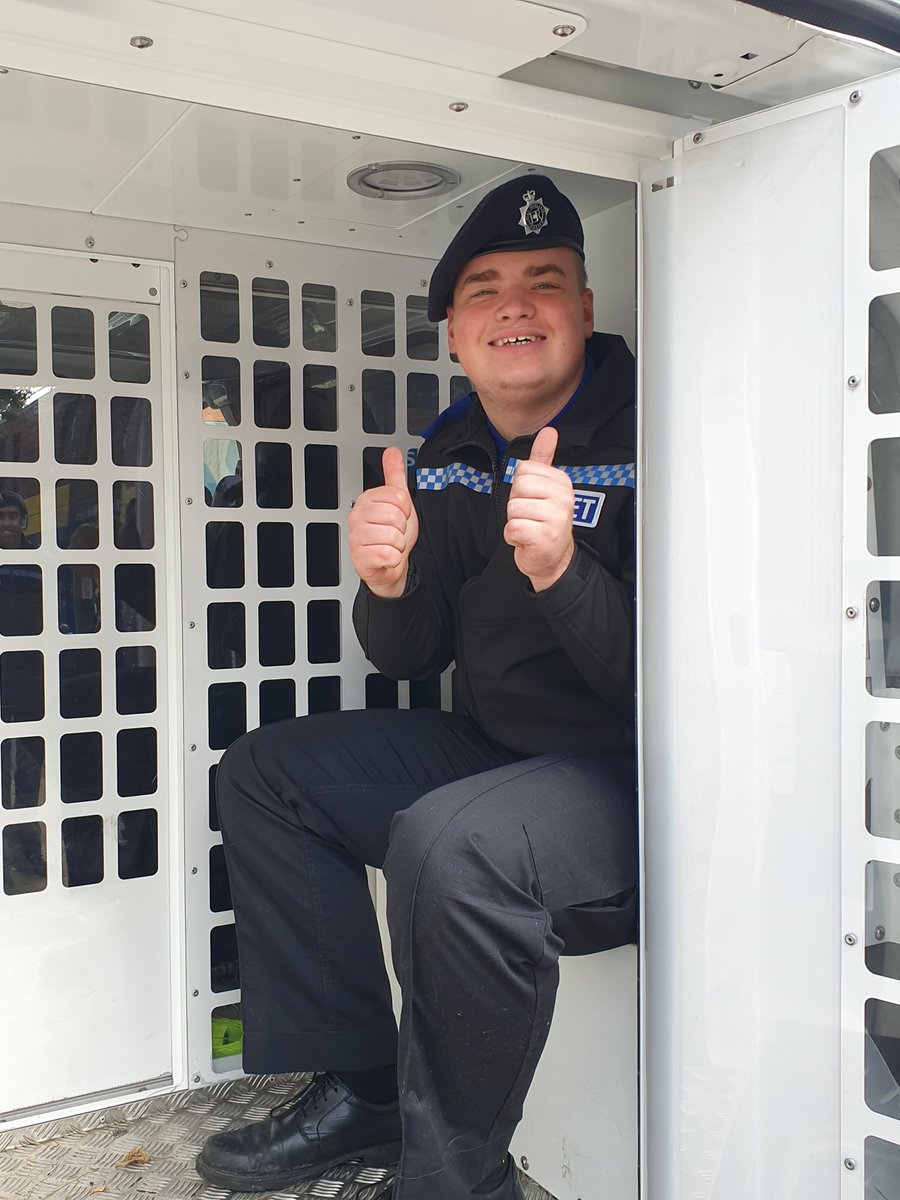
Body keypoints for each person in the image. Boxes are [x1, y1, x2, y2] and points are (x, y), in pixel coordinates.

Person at [196, 174, 637, 1200]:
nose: (514, 304)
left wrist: (564, 575)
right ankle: (368, 1096)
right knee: (269, 772)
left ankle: (452, 1180)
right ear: (452, 331)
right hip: (505, 756)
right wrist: (386, 584)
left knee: (454, 840)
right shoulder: (445, 453)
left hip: (640, 777)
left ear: (583, 309)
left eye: (544, 280)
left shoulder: (658, 426)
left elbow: (683, 683)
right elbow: (409, 659)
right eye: (484, 288)